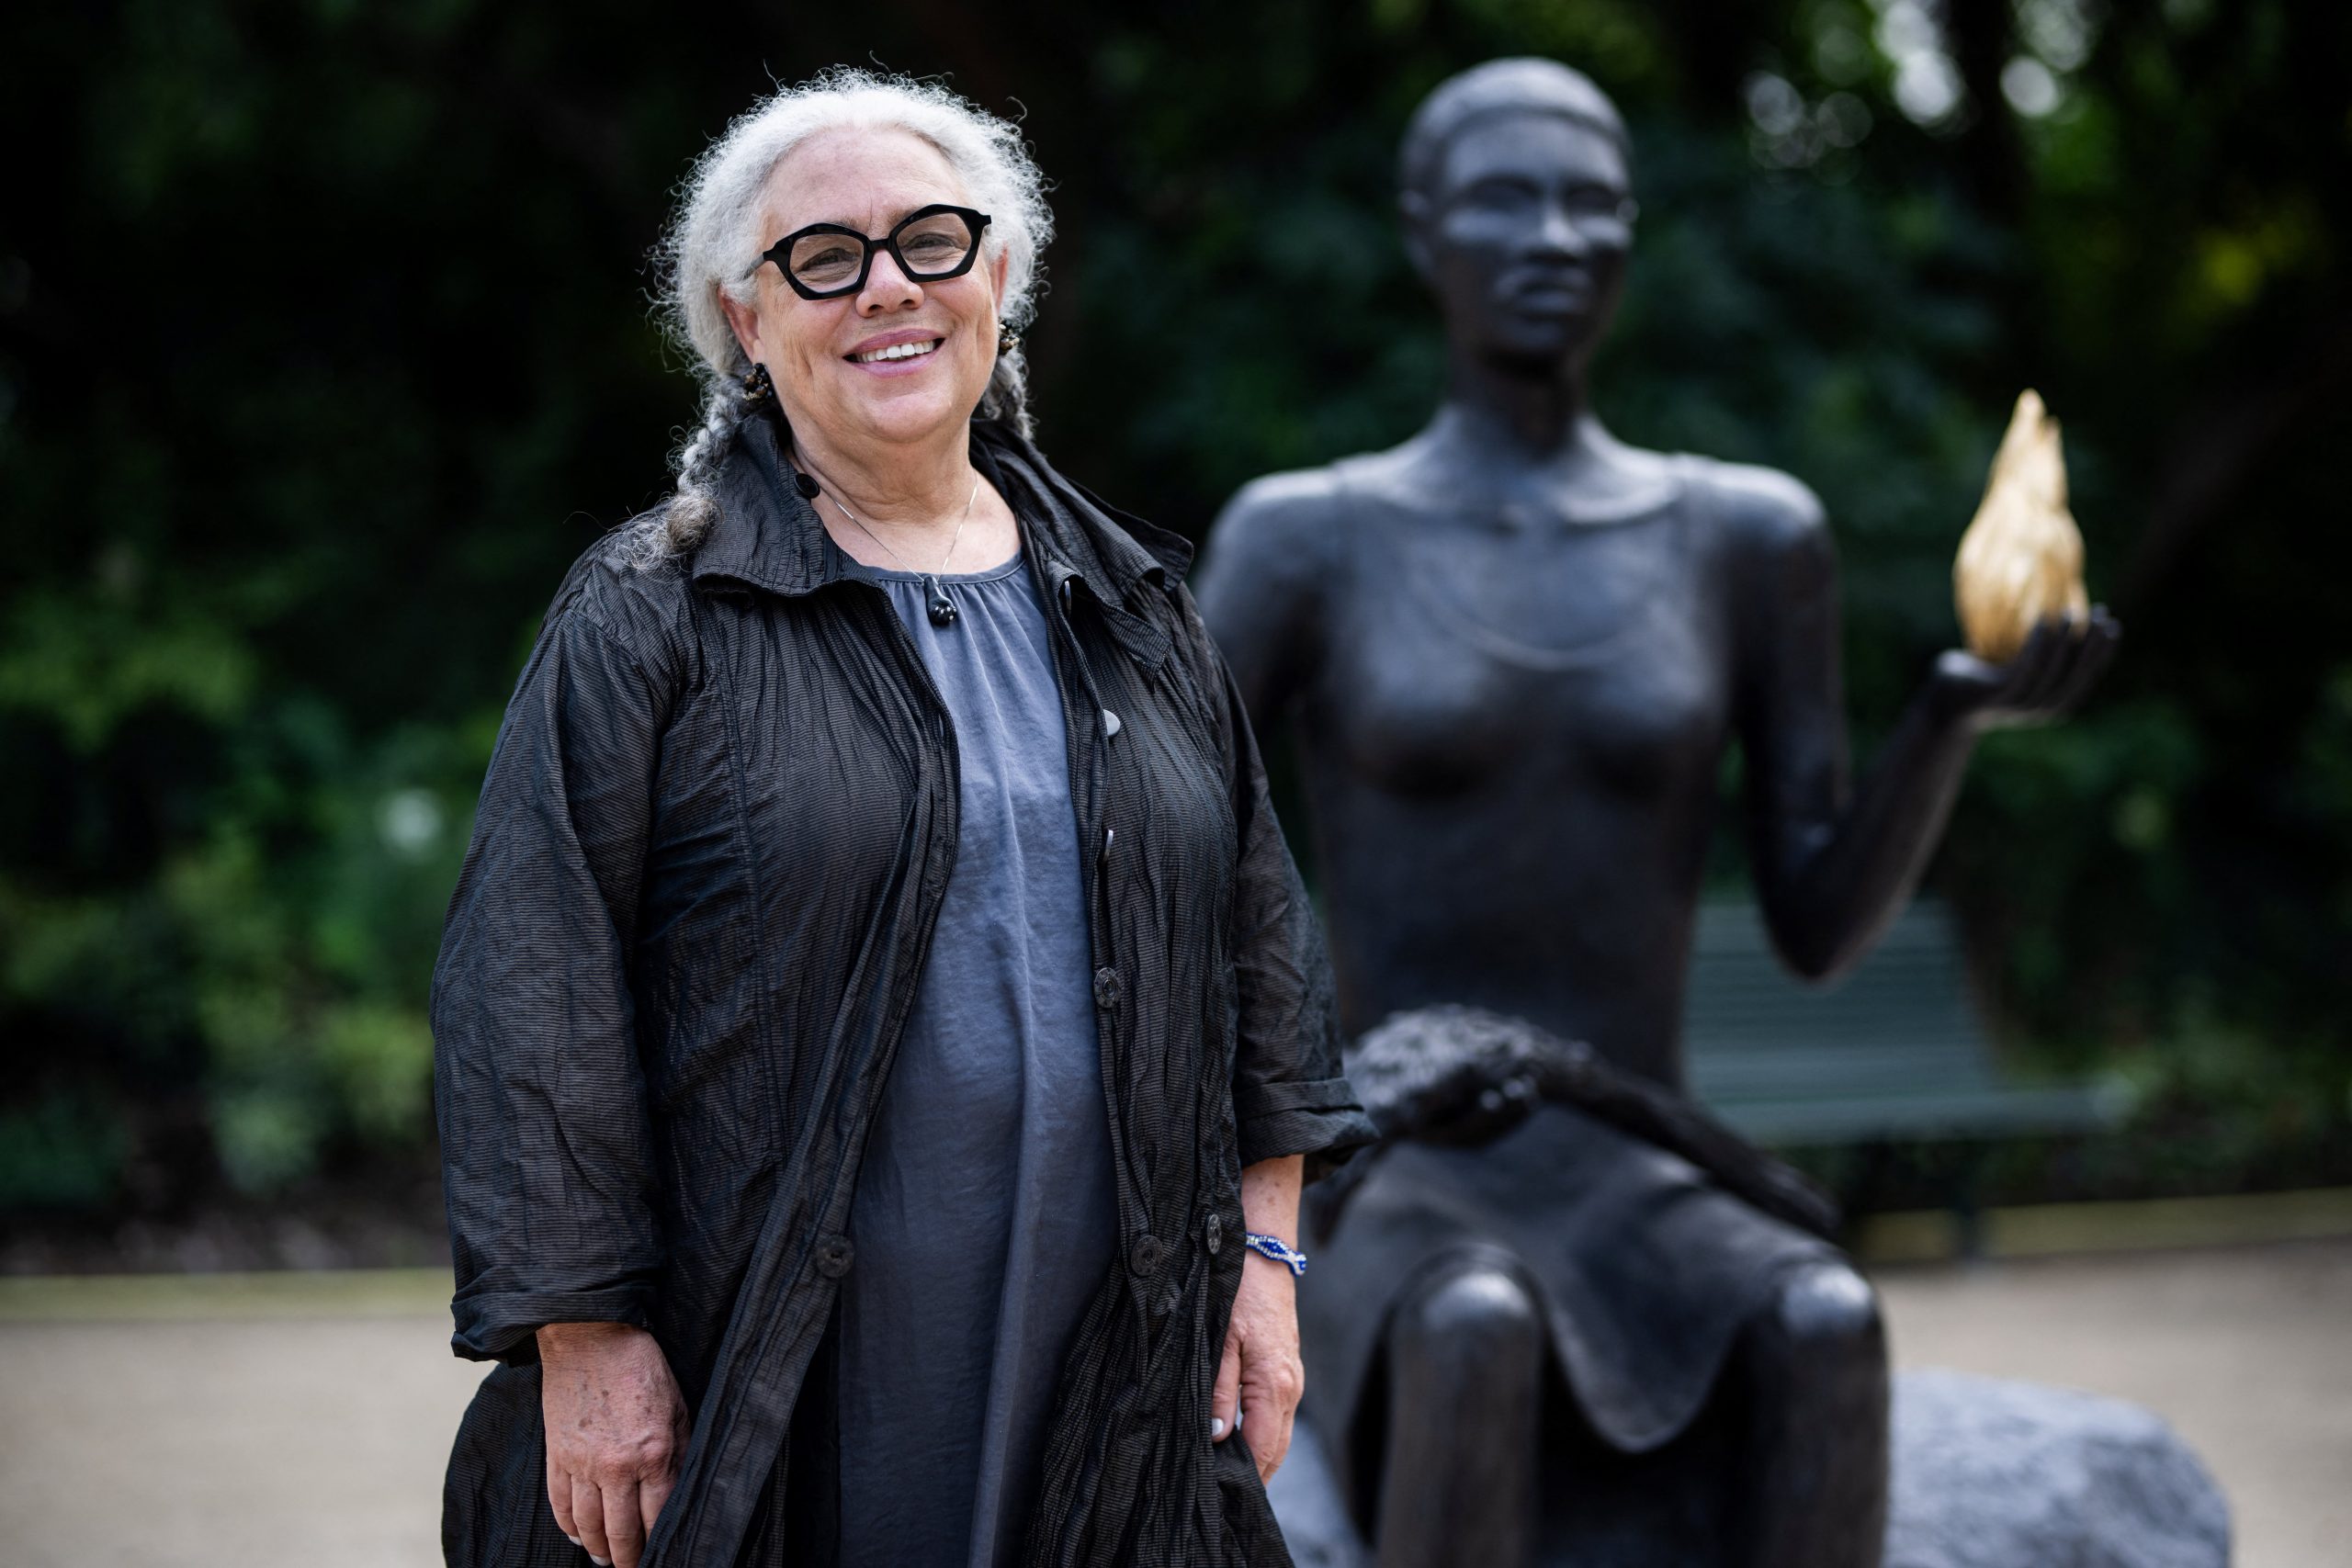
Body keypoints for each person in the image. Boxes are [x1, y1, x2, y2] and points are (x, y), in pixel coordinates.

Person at [432, 69, 1374, 1568]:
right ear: (747, 321)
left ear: (998, 277)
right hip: (776, 1371)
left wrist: (1265, 1259)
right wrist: (585, 1337)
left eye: (932, 240)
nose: (886, 286)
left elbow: (1262, 950)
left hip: (1116, 1355)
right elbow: (528, 983)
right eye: (823, 257)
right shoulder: (652, 610)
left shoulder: (1132, 605)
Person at [1196, 58, 2116, 1568]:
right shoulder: (1311, 538)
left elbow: (1816, 923)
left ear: (1632, 236)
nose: (1552, 235)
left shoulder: (1746, 536)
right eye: (1505, 198)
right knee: (1476, 1326)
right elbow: (1173, 869)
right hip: (1403, 1171)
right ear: (1424, 231)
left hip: (1644, 1159)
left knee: (1825, 1314)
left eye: (1591, 201)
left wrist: (1948, 718)